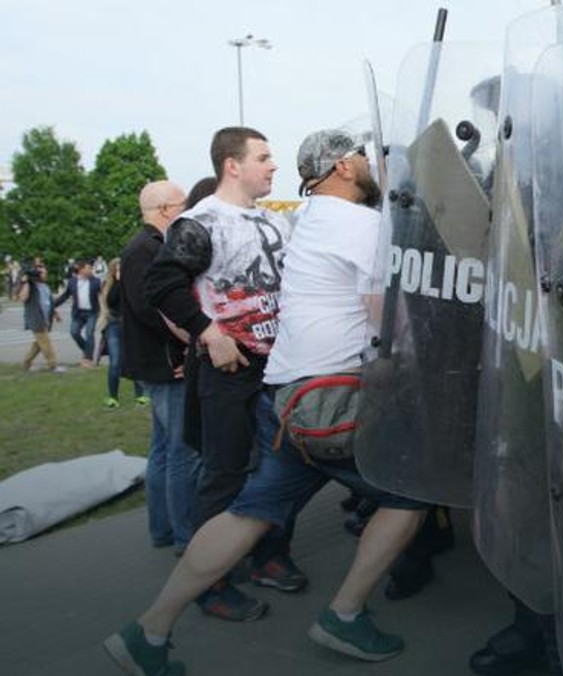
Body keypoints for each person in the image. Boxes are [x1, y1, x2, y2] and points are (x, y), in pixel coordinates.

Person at [104, 128, 427, 675]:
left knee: (248, 511)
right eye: (363, 156)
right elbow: (385, 318)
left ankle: (149, 630)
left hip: (284, 393)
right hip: (330, 397)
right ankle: (344, 615)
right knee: (412, 492)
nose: (373, 164)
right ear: (343, 167)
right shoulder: (360, 223)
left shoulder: (300, 221)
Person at [142, 128, 304, 621]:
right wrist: (208, 333)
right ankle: (211, 585)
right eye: (264, 157)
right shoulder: (200, 222)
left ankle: (269, 555)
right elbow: (160, 283)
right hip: (229, 370)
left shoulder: (274, 223)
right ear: (232, 165)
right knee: (225, 473)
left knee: (283, 467)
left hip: (279, 366)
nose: (274, 166)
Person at [121, 180, 199, 554]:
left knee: (165, 449)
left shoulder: (144, 247)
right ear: (167, 209)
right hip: (165, 364)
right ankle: (185, 534)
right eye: (184, 204)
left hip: (157, 363)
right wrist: (187, 343)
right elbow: (151, 307)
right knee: (182, 450)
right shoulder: (147, 249)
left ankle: (164, 529)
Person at [96, 258, 148, 408]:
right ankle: (113, 396)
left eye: (122, 269)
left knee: (134, 359)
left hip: (130, 325)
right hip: (113, 325)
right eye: (117, 269)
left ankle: (140, 394)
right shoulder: (108, 286)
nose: (120, 272)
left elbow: (132, 301)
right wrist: (118, 283)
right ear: (112, 271)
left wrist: (124, 283)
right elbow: (112, 301)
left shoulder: (131, 285)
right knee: (115, 362)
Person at [17, 259, 66, 373]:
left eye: (45, 272)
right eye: (42, 273)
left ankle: (26, 363)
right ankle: (53, 365)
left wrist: (55, 313)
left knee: (39, 344)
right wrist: (26, 281)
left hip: (45, 319)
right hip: (36, 319)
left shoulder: (45, 286)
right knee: (45, 342)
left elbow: (49, 302)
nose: (44, 274)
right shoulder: (30, 285)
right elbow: (22, 298)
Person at [54, 259, 102, 367]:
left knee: (89, 333)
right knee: (74, 332)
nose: (91, 270)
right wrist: (53, 305)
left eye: (91, 268)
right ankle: (87, 349)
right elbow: (65, 296)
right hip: (78, 313)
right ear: (81, 269)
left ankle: (88, 359)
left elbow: (105, 295)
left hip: (92, 312)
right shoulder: (72, 281)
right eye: (88, 268)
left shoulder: (96, 282)